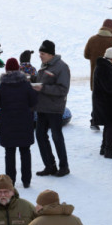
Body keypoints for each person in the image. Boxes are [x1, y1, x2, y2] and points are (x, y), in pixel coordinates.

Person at [0, 58, 39, 189]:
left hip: (7, 124)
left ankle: (10, 180)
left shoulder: (0, 86)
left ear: (6, 69)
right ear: (18, 69)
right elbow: (34, 102)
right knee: (25, 151)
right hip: (25, 123)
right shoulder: (26, 84)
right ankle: (26, 180)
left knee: (9, 152)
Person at [33, 40, 71, 177]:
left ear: (50, 54)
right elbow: (42, 80)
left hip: (54, 108)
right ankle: (50, 166)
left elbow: (63, 89)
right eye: (40, 53)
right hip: (42, 107)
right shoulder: (45, 65)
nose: (40, 56)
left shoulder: (62, 67)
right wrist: (31, 79)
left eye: (42, 53)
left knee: (56, 137)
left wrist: (43, 88)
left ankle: (64, 167)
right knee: (40, 135)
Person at [83, 18, 112, 130]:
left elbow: (86, 55)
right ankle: (108, 121)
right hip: (109, 75)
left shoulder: (92, 39)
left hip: (95, 74)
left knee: (96, 98)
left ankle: (94, 120)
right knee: (108, 99)